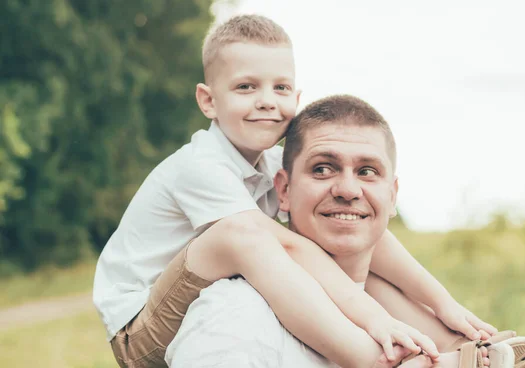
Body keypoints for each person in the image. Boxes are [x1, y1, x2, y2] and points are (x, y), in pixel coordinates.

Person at [94, 15, 443, 368]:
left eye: (280, 88)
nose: (266, 101)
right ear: (208, 101)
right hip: (140, 330)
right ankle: (372, 359)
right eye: (246, 87)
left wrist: (447, 307)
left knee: (344, 233)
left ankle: (454, 341)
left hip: (199, 292)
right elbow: (285, 245)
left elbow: (371, 236)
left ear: (297, 96)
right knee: (239, 235)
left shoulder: (273, 161)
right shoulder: (200, 165)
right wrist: (374, 317)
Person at [165, 95, 520, 368]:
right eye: (323, 169)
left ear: (392, 196)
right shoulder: (236, 315)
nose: (348, 190)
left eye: (367, 171)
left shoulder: (397, 324)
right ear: (284, 190)